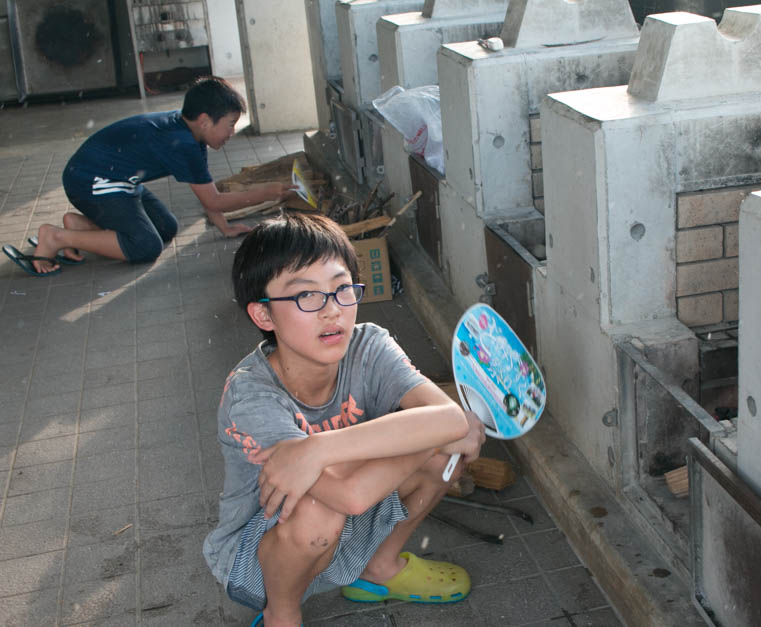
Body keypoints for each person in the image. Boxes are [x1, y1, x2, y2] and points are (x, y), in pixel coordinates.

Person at [203, 213, 485, 627]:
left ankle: (379, 569)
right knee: (321, 511)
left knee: (443, 458)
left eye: (341, 289)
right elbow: (350, 495)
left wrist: (317, 449)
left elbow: (446, 417)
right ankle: (281, 613)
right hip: (260, 557)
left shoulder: (369, 344)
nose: (332, 311)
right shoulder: (252, 394)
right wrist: (441, 433)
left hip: (352, 512)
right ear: (264, 316)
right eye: (306, 296)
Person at [11, 76, 294, 276]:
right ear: (205, 121)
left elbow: (207, 195)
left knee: (166, 228)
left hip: (115, 179)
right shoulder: (184, 143)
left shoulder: (191, 134)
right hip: (91, 180)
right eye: (230, 125)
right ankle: (57, 237)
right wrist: (268, 192)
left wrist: (225, 228)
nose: (232, 132)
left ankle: (79, 227)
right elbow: (216, 201)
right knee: (145, 246)